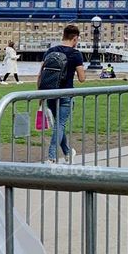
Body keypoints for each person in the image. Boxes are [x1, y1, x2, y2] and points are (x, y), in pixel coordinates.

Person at [37, 24, 86, 165]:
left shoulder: (50, 51)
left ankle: (68, 152)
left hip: (50, 92)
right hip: (66, 95)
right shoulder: (76, 54)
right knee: (60, 124)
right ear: (75, 38)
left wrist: (41, 95)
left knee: (59, 125)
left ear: (63, 35)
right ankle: (51, 156)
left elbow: (40, 75)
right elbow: (82, 79)